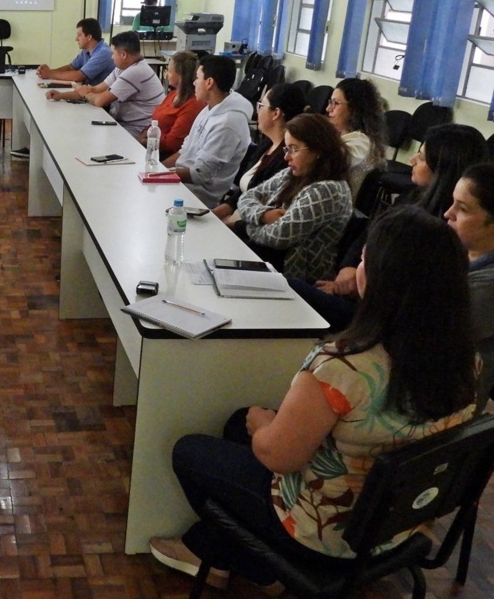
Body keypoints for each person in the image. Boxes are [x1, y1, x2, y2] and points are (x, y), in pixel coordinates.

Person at [150, 205, 477, 592]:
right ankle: (227, 551)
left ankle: (227, 556)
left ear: (377, 276)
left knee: (192, 449)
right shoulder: (464, 361)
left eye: (364, 258)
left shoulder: (342, 366)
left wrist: (264, 426)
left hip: (325, 536)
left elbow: (279, 457)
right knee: (237, 424)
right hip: (396, 525)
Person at [299, 123, 489, 331]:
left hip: (376, 318)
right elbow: (370, 233)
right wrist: (348, 269)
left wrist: (358, 284)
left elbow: (406, 295)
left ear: (442, 168)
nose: (412, 160)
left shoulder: (448, 226)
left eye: (422, 157)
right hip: (360, 293)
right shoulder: (413, 196)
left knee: (293, 289)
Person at [235, 113, 353, 281]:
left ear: (317, 149)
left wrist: (245, 224)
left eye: (294, 149)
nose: (286, 157)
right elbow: (248, 197)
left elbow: (278, 236)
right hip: (267, 258)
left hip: (295, 276)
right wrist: (263, 215)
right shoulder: (293, 173)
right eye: (286, 148)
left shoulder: (329, 190)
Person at [444, 161, 494, 411]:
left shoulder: (493, 286)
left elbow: (423, 332)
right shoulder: (458, 252)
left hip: (448, 407)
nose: (448, 213)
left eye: (463, 209)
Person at [163, 55, 253, 208]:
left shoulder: (228, 124)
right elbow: (185, 150)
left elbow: (199, 175)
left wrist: (161, 175)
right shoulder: (210, 108)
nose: (194, 82)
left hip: (197, 196)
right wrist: (158, 169)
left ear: (209, 83)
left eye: (197, 78)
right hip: (181, 182)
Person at [212, 83, 306, 222]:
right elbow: (243, 192)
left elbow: (263, 207)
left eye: (261, 105)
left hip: (247, 225)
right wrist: (212, 215)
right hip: (235, 217)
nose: (257, 111)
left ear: (276, 113)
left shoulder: (285, 159)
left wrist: (225, 223)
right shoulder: (266, 145)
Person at [45, 31, 163, 139]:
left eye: (113, 53)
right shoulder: (123, 68)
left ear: (123, 55)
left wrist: (86, 93)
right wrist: (61, 95)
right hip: (124, 122)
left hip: (138, 129)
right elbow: (96, 89)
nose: (111, 57)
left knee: (87, 137)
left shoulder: (135, 72)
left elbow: (100, 100)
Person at [326, 78, 386, 197]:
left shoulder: (360, 143)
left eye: (336, 103)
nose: (328, 109)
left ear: (354, 109)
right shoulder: (346, 136)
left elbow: (324, 166)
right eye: (330, 102)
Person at [139, 50, 206, 157]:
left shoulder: (193, 105)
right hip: (152, 146)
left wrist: (146, 141)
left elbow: (172, 144)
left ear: (180, 76)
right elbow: (155, 121)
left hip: (164, 155)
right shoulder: (173, 94)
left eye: (169, 71)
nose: (166, 74)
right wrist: (144, 134)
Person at [35, 18, 115, 86]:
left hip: (104, 101)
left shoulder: (103, 53)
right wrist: (49, 71)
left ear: (89, 37)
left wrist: (49, 74)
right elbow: (71, 67)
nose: (76, 39)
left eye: (79, 35)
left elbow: (78, 76)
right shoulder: (85, 51)